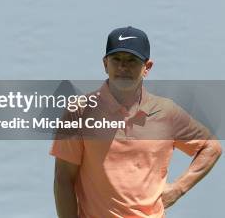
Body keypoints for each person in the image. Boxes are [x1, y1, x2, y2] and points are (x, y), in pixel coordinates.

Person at [51, 26, 222, 218]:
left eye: (132, 60)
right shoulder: (79, 111)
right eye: (117, 59)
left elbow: (211, 147)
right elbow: (63, 178)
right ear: (105, 64)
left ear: (147, 67)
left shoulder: (166, 112)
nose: (123, 67)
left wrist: (178, 189)